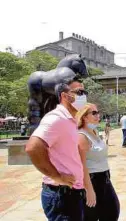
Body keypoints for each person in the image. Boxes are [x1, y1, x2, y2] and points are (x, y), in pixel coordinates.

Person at [25, 79, 88, 221]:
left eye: (85, 92)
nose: (84, 96)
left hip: (72, 193)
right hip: (61, 195)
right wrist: (57, 177)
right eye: (79, 92)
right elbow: (33, 148)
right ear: (64, 96)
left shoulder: (70, 120)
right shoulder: (56, 118)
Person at [77, 103, 120, 221]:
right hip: (92, 179)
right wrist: (89, 190)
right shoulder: (81, 136)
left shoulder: (95, 131)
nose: (98, 115)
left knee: (112, 212)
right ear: (84, 117)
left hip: (105, 177)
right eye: (94, 113)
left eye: (98, 112)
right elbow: (82, 166)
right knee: (92, 216)